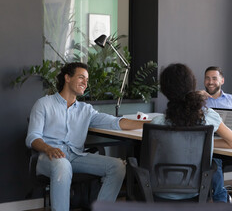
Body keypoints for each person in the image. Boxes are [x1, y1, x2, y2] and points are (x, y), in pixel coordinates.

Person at [25, 62, 148, 211]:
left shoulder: (86, 110)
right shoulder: (44, 104)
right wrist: (48, 148)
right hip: (48, 158)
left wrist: (148, 124)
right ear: (67, 78)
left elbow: (115, 122)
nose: (85, 82)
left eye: (87, 80)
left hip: (76, 157)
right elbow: (32, 137)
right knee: (62, 164)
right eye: (81, 77)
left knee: (117, 167)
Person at [151, 63, 232, 201]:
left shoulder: (157, 123)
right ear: (192, 86)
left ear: (164, 90)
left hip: (159, 192)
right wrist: (205, 144)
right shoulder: (209, 116)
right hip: (196, 191)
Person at [201, 66, 232, 202]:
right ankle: (220, 199)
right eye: (207, 78)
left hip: (229, 141)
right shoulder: (199, 100)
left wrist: (227, 130)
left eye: (214, 78)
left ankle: (219, 198)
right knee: (213, 157)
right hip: (207, 140)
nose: (210, 82)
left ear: (222, 81)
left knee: (213, 158)